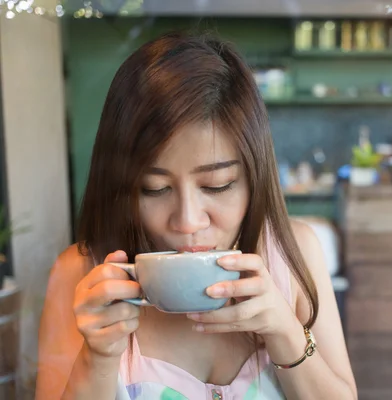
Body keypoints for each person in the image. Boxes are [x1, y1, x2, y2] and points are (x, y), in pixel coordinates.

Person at [35, 32, 357, 400]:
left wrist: (285, 333)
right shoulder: (81, 278)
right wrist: (97, 359)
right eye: (154, 189)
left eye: (218, 185)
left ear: (255, 177)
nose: (188, 221)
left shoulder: (293, 253)